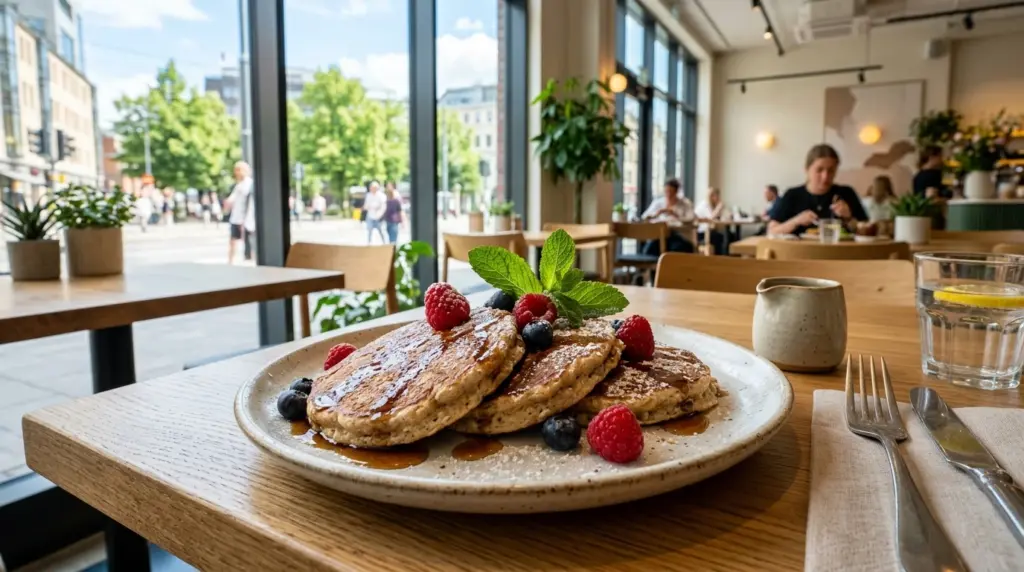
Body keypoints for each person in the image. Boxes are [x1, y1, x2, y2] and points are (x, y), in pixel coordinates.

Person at [769, 144, 868, 236]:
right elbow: (772, 231)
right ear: (807, 169)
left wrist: (849, 218)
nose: (825, 176)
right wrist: (796, 221)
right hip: (799, 249)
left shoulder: (846, 193)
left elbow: (866, 232)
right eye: (819, 170)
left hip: (839, 249)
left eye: (831, 171)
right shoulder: (792, 195)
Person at [640, 178, 695, 255]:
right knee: (649, 250)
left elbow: (691, 218)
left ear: (676, 192)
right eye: (666, 191)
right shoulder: (658, 203)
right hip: (659, 235)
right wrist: (656, 214)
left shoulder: (685, 203)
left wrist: (675, 214)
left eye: (671, 192)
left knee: (677, 249)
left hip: (679, 235)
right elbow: (645, 216)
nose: (668, 195)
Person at [225, 161, 255, 264]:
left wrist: (245, 219)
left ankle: (249, 261)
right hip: (237, 218)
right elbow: (232, 200)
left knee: (248, 242)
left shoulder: (248, 184)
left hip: (245, 219)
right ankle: (231, 262)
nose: (236, 173)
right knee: (234, 241)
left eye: (238, 170)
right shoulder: (239, 185)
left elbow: (247, 203)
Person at [694, 187, 726, 255]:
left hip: (710, 231)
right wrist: (719, 208)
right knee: (719, 237)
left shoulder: (712, 205)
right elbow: (711, 219)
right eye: (715, 195)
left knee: (728, 235)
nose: (717, 198)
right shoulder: (704, 205)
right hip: (702, 233)